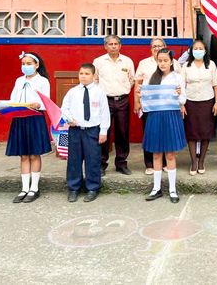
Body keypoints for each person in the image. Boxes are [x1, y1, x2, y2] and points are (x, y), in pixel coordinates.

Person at [0, 52, 52, 203]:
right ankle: (24, 188)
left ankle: (34, 188)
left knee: (34, 154)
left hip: (35, 118)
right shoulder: (19, 80)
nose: (25, 66)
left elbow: (46, 101)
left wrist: (38, 104)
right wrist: (0, 104)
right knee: (23, 155)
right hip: (19, 118)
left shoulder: (42, 81)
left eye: (29, 64)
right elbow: (13, 100)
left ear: (37, 65)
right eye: (23, 64)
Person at [61, 64, 110, 203]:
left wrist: (103, 131)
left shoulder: (99, 92)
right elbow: (64, 108)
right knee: (74, 160)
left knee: (93, 159)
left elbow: (104, 113)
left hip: (92, 130)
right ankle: (73, 188)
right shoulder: (72, 92)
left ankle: (93, 188)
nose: (83, 76)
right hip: (75, 130)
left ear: (94, 76)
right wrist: (69, 119)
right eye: (81, 73)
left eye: (87, 74)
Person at [143, 49, 186, 204]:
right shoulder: (153, 78)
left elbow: (183, 100)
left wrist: (179, 94)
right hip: (155, 116)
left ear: (171, 61)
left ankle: (172, 189)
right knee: (156, 154)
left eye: (165, 60)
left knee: (170, 154)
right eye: (159, 60)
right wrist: (141, 95)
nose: (162, 63)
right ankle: (156, 188)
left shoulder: (177, 77)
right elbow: (147, 99)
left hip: (171, 115)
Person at [135, 38, 182, 175]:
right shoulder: (144, 63)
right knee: (151, 134)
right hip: (150, 106)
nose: (157, 48)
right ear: (150, 49)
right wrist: (137, 101)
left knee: (167, 135)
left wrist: (181, 100)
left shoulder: (175, 63)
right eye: (154, 46)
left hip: (169, 107)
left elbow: (180, 86)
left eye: (159, 46)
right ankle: (149, 164)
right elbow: (138, 84)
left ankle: (167, 163)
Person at [93, 35, 135, 176]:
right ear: (105, 46)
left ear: (120, 45)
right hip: (105, 100)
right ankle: (101, 164)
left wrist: (124, 90)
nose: (113, 46)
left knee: (122, 132)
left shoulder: (127, 61)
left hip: (123, 100)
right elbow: (95, 80)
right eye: (110, 44)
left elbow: (132, 80)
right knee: (104, 132)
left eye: (116, 44)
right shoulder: (98, 61)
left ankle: (121, 163)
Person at [181, 40, 217, 175]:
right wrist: (182, 104)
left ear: (205, 51)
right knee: (191, 133)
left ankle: (201, 161)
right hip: (190, 102)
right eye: (195, 48)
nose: (198, 51)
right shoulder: (186, 66)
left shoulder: (211, 65)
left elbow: (216, 84)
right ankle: (193, 162)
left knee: (205, 133)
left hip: (207, 102)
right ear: (191, 51)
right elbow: (182, 86)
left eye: (200, 48)